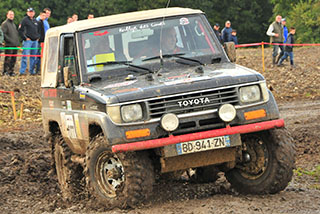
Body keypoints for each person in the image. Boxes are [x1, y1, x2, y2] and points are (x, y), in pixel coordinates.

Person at [18, 7, 40, 75]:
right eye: (29, 12)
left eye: (32, 12)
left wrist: (38, 37)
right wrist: (25, 38)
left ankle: (32, 71)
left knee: (33, 57)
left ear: (34, 13)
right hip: (28, 41)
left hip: (35, 41)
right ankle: (22, 71)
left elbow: (38, 30)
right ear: (27, 13)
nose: (31, 13)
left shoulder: (35, 21)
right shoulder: (24, 20)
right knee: (25, 56)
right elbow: (20, 30)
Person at [1, 10, 20, 76]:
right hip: (9, 44)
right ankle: (5, 71)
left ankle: (11, 71)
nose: (11, 16)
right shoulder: (5, 24)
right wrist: (8, 41)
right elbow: (3, 34)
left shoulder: (13, 24)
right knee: (8, 59)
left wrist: (17, 43)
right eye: (10, 14)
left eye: (12, 15)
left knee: (13, 59)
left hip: (15, 45)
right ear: (7, 15)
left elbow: (16, 34)